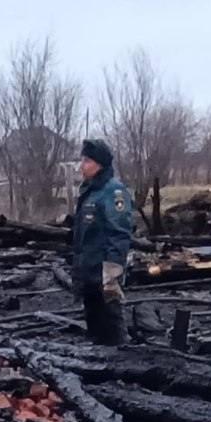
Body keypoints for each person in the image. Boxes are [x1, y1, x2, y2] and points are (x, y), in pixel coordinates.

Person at [71, 137, 136, 346]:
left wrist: (112, 274)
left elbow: (119, 234)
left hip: (104, 275)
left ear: (99, 164)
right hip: (88, 273)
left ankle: (125, 371)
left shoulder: (113, 192)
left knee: (113, 331)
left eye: (87, 161)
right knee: (95, 330)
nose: (82, 165)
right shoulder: (89, 191)